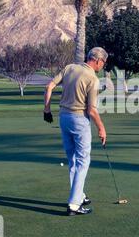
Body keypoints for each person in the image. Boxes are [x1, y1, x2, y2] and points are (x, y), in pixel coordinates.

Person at [44, 47, 108, 216]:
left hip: (63, 118)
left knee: (73, 159)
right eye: (103, 63)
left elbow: (49, 86)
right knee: (82, 161)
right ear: (97, 60)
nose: (103, 66)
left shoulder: (70, 67)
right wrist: (101, 128)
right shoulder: (92, 79)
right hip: (79, 120)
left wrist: (47, 110)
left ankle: (79, 194)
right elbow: (92, 110)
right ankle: (74, 204)